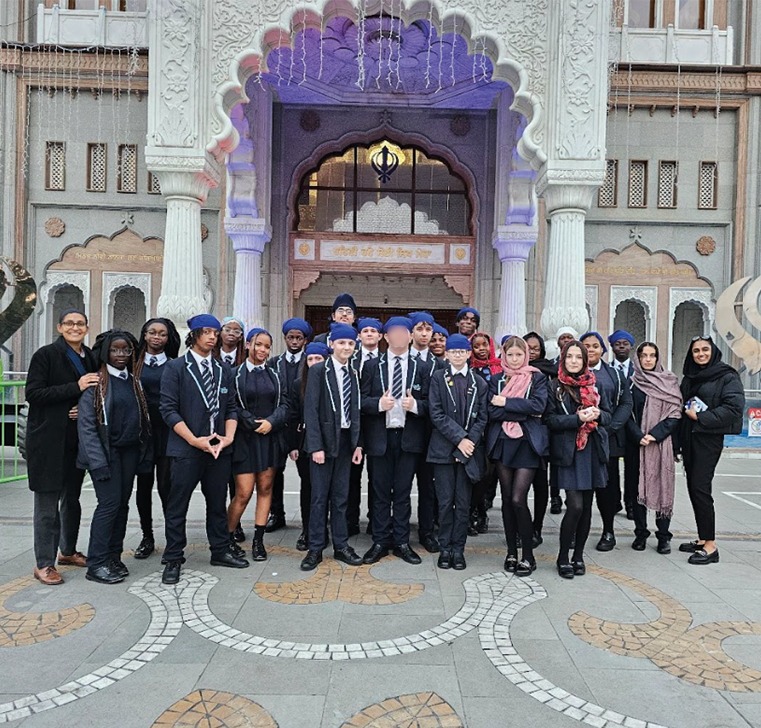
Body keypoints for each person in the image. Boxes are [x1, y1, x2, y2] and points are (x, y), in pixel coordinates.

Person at [159, 314, 249, 585]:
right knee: (178, 506)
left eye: (215, 332)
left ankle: (219, 550)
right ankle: (173, 557)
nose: (212, 337)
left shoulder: (223, 369)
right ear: (194, 335)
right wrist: (193, 440)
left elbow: (231, 407)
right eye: (206, 332)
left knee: (217, 503)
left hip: (218, 449)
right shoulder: (176, 368)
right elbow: (168, 410)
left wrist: (228, 437)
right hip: (187, 449)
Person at [26, 309, 98, 585]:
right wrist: (74, 388)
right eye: (69, 323)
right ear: (60, 327)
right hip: (47, 441)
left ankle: (67, 551)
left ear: (87, 328)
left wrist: (82, 406)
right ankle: (44, 563)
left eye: (80, 323)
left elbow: (91, 392)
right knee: (47, 504)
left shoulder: (89, 356)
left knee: (72, 499)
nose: (75, 327)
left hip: (75, 440)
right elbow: (34, 393)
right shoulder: (45, 355)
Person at [77, 330, 152, 584]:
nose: (121, 355)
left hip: (129, 453)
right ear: (106, 352)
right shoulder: (96, 383)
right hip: (106, 455)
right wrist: (97, 463)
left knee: (121, 506)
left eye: (126, 350)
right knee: (108, 506)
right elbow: (87, 426)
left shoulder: (134, 381)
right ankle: (96, 563)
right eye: (115, 350)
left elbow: (142, 420)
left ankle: (113, 556)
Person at [360, 317, 429, 565]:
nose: (399, 337)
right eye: (393, 333)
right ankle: (379, 540)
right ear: (385, 337)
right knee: (379, 492)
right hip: (380, 437)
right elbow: (360, 401)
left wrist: (417, 406)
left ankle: (401, 541)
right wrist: (378, 404)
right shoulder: (371, 366)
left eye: (403, 333)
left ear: (410, 337)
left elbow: (433, 404)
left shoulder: (421, 368)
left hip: (408, 438)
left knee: (402, 492)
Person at [300, 323, 364, 571]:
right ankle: (315, 548)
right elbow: (311, 411)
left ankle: (341, 545)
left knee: (340, 498)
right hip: (324, 445)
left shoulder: (353, 373)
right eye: (341, 343)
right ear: (331, 345)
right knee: (319, 498)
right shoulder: (318, 371)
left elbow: (356, 411)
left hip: (346, 443)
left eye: (350, 344)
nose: (346, 347)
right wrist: (315, 446)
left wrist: (358, 444)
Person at [545, 341, 611, 579]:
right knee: (575, 506)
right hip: (569, 451)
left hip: (591, 449)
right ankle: (563, 557)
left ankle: (578, 556)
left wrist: (598, 414)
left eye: (578, 357)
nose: (574, 361)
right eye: (569, 357)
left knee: (587, 508)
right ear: (563, 360)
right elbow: (549, 420)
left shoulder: (595, 385)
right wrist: (576, 419)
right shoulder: (555, 385)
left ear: (585, 361)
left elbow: (609, 415)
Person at [678, 336, 744, 565]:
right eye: (696, 351)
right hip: (690, 439)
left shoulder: (726, 376)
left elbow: (734, 408)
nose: (700, 354)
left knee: (700, 487)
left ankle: (710, 546)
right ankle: (702, 537)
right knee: (694, 488)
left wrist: (702, 417)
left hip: (708, 439)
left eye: (705, 349)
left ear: (713, 351)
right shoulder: (690, 377)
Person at [487, 337, 549, 576]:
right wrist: (518, 408)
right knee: (506, 500)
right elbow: (492, 411)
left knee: (517, 499)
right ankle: (511, 552)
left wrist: (506, 402)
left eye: (518, 355)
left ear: (526, 355)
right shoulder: (497, 378)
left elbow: (538, 407)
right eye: (510, 355)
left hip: (527, 444)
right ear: (504, 355)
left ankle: (528, 556)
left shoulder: (537, 378)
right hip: (503, 443)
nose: (514, 359)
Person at [427, 334, 488, 571]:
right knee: (444, 502)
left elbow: (483, 417)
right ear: (447, 354)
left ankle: (458, 549)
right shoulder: (438, 378)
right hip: (443, 450)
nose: (458, 355)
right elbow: (436, 413)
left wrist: (468, 441)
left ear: (469, 353)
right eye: (453, 352)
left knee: (463, 503)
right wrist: (460, 438)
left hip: (469, 452)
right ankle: (445, 548)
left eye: (462, 351)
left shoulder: (479, 383)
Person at [228, 328, 290, 562]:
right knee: (243, 493)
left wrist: (272, 423)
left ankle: (258, 541)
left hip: (269, 438)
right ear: (248, 345)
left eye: (267, 346)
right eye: (258, 345)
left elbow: (285, 404)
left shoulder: (275, 375)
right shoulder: (234, 374)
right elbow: (231, 404)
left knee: (265, 489)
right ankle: (228, 536)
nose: (262, 350)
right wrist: (251, 423)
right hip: (245, 439)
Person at [626, 342, 682, 554]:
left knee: (662, 486)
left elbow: (675, 414)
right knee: (637, 489)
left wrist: (655, 434)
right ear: (638, 359)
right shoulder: (632, 383)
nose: (648, 359)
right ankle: (641, 533)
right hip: (637, 445)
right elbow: (626, 412)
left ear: (658, 358)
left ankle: (663, 536)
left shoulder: (669, 381)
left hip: (661, 445)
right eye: (644, 355)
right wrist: (638, 435)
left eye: (652, 355)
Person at [132, 317, 180, 559]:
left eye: (162, 334)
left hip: (166, 434)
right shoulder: (134, 365)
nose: (157, 337)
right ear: (144, 335)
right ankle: (147, 536)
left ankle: (172, 539)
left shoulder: (174, 365)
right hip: (141, 435)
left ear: (168, 338)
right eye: (152, 332)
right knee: (143, 487)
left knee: (166, 487)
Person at [580, 331, 632, 553]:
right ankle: (578, 530)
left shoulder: (614, 375)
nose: (590, 349)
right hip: (580, 440)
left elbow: (625, 403)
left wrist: (610, 427)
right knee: (581, 490)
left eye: (594, 346)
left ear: (603, 349)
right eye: (586, 346)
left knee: (607, 489)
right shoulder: (571, 372)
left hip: (607, 440)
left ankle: (608, 531)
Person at [266, 317, 313, 535]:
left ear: (305, 340)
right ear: (284, 338)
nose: (294, 341)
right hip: (278, 428)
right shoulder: (273, 363)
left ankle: (309, 520)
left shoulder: (312, 362)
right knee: (275, 473)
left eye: (299, 337)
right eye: (290, 337)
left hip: (302, 430)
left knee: (308, 477)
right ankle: (277, 513)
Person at [288, 342, 331, 551]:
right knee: (309, 488)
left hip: (330, 443)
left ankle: (324, 529)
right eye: (311, 359)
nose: (314, 363)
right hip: (305, 444)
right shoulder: (298, 384)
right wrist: (294, 446)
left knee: (327, 490)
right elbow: (294, 416)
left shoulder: (333, 381)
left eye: (318, 359)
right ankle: (308, 530)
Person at [408, 311, 442, 552]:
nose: (424, 333)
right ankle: (395, 530)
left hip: (431, 435)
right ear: (411, 333)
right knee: (399, 487)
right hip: (405, 434)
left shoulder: (439, 365)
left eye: (428, 329)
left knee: (428, 488)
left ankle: (427, 531)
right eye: (419, 329)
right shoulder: (397, 360)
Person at [349, 317, 382, 536]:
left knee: (376, 478)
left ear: (380, 336)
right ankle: (350, 521)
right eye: (365, 331)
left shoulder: (387, 361)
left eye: (373, 331)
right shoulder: (349, 359)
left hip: (377, 425)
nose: (369, 334)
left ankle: (374, 520)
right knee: (351, 476)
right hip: (352, 426)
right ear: (359, 336)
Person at [523, 331, 555, 545]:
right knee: (519, 488)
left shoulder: (550, 372)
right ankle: (522, 526)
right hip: (520, 435)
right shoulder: (514, 371)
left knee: (540, 484)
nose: (532, 352)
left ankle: (537, 527)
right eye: (528, 348)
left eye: (535, 348)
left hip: (543, 433)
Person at [468, 331, 502, 534]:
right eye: (476, 346)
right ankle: (471, 512)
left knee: (487, 474)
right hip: (472, 427)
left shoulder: (498, 367)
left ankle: (481, 511)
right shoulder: (469, 368)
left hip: (492, 427)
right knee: (474, 474)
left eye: (484, 345)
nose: (481, 349)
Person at [608, 329, 637, 519]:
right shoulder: (607, 371)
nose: (621, 346)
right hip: (613, 427)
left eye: (625, 343)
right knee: (611, 469)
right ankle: (614, 502)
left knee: (633, 470)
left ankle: (631, 504)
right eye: (617, 343)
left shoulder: (639, 372)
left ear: (631, 346)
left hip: (634, 428)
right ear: (611, 347)